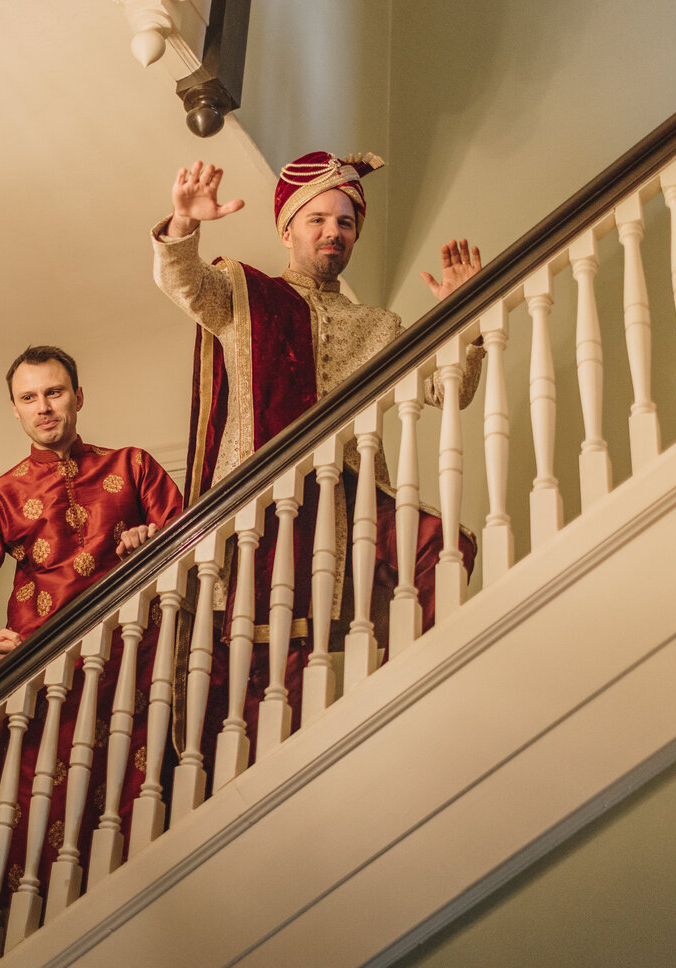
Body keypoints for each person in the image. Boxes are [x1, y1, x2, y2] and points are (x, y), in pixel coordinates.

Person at [151, 152, 484, 751]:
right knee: (255, 656)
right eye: (318, 219)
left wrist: (469, 313)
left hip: (350, 497)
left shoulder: (380, 327)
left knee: (445, 545)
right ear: (287, 228)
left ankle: (416, 681)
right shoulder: (243, 295)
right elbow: (184, 284)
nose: (334, 231)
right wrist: (183, 228)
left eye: (347, 222)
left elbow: (447, 388)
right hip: (259, 497)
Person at [0, 344, 183, 906]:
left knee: (137, 798)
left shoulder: (133, 465)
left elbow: (191, 538)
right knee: (37, 810)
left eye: (54, 392)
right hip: (47, 681)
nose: (44, 406)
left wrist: (153, 543)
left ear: (78, 397)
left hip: (135, 663)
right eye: (29, 397)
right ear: (15, 410)